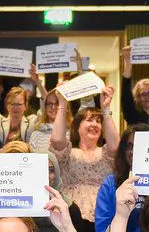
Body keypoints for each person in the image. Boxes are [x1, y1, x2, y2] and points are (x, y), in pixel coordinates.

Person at [50, 87, 120, 216]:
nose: (94, 124)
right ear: (77, 127)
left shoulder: (105, 153)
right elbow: (56, 140)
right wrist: (63, 104)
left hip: (105, 213)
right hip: (71, 214)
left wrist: (106, 110)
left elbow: (116, 147)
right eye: (89, 120)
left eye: (98, 122)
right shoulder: (68, 153)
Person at [93, 125, 144, 232]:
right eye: (129, 146)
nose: (132, 152)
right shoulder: (110, 183)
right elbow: (102, 227)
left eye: (139, 147)